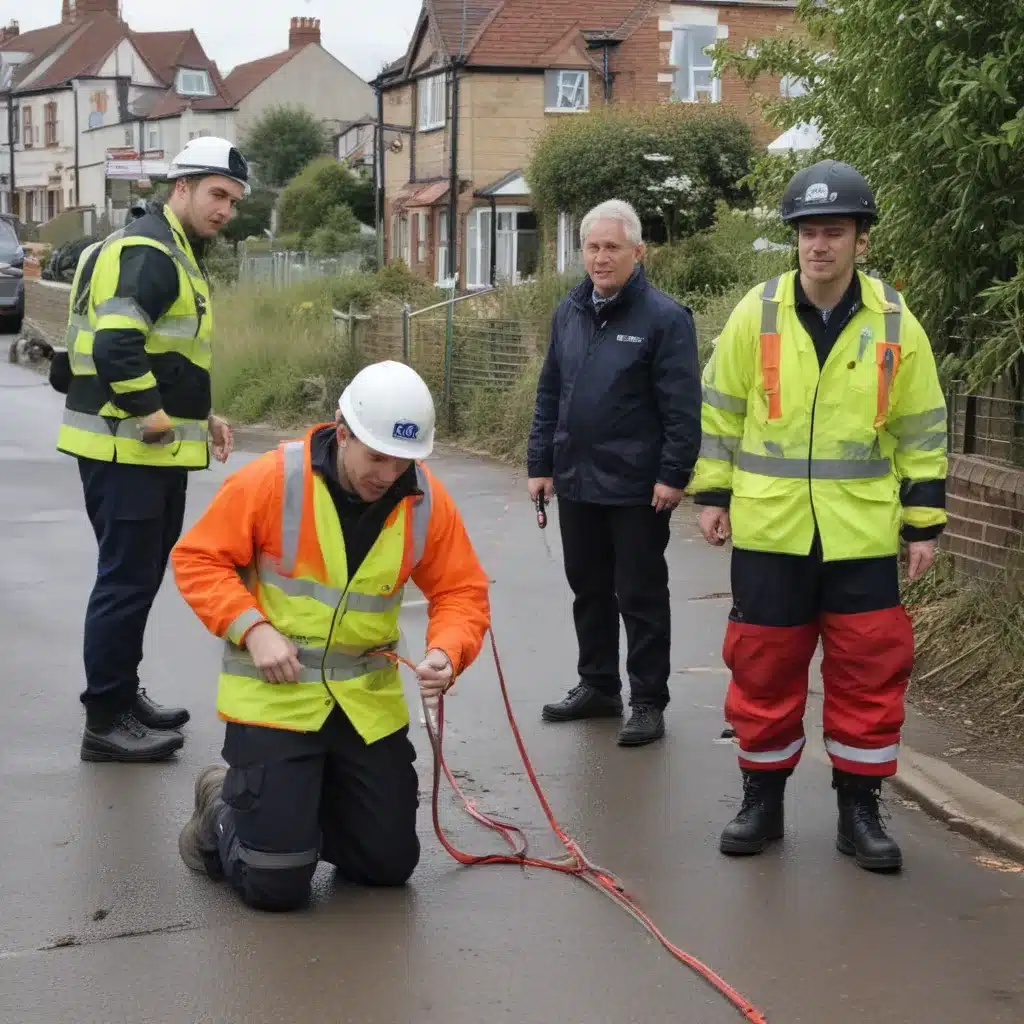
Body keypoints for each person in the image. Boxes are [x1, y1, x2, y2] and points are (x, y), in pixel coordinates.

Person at [689, 160, 948, 872]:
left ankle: (858, 812)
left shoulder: (895, 321)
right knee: (763, 670)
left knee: (868, 672)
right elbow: (719, 408)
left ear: (860, 239)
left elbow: (923, 424)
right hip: (771, 530)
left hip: (860, 536)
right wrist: (712, 495)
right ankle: (761, 803)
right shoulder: (757, 312)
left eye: (834, 231)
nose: (819, 246)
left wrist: (923, 521)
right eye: (807, 232)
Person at [172, 361, 491, 913]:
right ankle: (222, 809)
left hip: (363, 710)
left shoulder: (424, 501)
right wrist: (254, 629)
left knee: (387, 868)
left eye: (404, 461)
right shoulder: (273, 480)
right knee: (275, 885)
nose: (390, 474)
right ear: (342, 433)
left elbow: (461, 591)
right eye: (377, 457)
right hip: (278, 701)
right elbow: (198, 560)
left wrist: (447, 651)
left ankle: (292, 810)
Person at [56, 137, 250, 763]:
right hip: (130, 451)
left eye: (235, 201)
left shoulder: (160, 247)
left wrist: (201, 414)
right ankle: (106, 721)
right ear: (182, 187)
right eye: (218, 194)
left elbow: (161, 354)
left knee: (134, 581)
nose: (226, 210)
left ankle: (122, 695)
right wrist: (156, 416)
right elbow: (116, 347)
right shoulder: (152, 252)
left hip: (134, 452)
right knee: (125, 583)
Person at [527, 199, 702, 747]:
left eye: (612, 248)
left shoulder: (666, 318)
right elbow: (550, 391)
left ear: (638, 252)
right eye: (593, 248)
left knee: (640, 595)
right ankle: (598, 685)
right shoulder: (569, 311)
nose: (601, 259)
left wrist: (673, 475)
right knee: (589, 589)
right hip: (577, 479)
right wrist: (540, 463)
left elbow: (682, 407)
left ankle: (648, 699)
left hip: (637, 487)